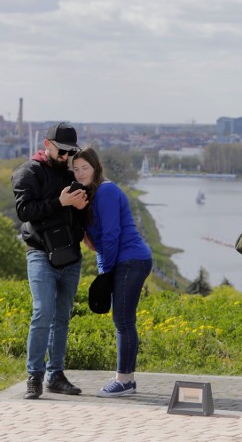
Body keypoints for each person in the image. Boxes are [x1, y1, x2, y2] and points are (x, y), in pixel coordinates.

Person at [11, 122, 88, 399]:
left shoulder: (70, 174)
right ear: (47, 145)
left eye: (71, 153)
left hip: (70, 257)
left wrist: (81, 206)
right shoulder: (28, 171)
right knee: (42, 313)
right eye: (62, 151)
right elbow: (24, 211)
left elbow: (77, 217)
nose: (66, 157)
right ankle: (34, 376)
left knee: (62, 318)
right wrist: (61, 203)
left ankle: (56, 375)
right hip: (41, 255)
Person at [72, 147, 153, 397]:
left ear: (96, 168)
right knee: (122, 320)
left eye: (85, 167)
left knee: (124, 321)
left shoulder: (105, 191)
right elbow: (95, 241)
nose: (80, 173)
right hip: (122, 261)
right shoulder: (91, 195)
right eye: (75, 169)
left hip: (131, 260)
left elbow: (111, 234)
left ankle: (124, 381)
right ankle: (126, 377)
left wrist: (104, 272)